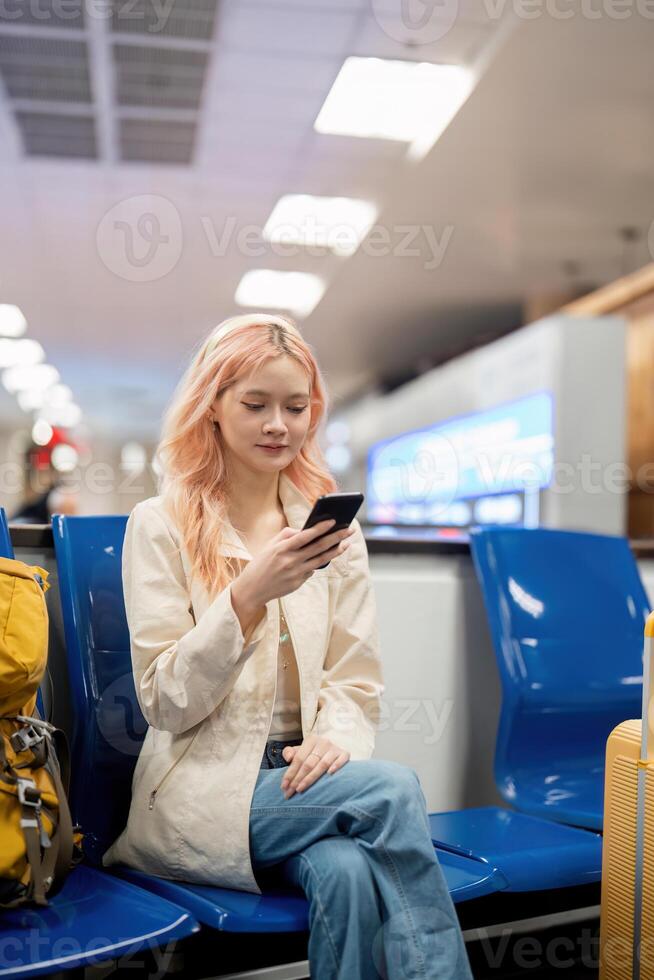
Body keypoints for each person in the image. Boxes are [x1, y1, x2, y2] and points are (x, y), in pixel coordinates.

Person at [103, 313, 473, 980]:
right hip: (198, 785)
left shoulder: (330, 527)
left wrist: (338, 741)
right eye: (256, 404)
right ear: (212, 407)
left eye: (296, 407)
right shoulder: (159, 524)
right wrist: (246, 597)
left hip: (305, 778)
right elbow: (163, 702)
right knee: (391, 790)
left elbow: (354, 679)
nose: (279, 424)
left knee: (346, 871)